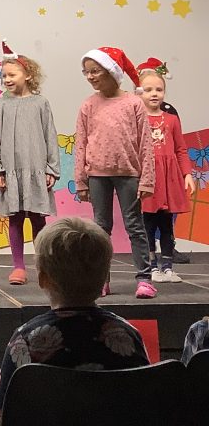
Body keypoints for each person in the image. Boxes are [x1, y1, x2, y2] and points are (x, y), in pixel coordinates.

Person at [0, 217, 150, 425]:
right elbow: (146, 405)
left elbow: (0, 417)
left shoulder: (25, 340)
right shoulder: (127, 335)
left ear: (43, 279)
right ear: (104, 278)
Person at [75, 47, 156, 298]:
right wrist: (81, 180)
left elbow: (145, 143)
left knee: (135, 226)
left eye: (95, 71)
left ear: (111, 71)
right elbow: (81, 143)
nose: (90, 76)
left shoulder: (134, 103)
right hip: (97, 175)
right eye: (86, 72)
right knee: (100, 229)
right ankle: (101, 280)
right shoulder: (88, 105)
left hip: (129, 174)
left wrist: (147, 180)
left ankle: (144, 279)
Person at [0, 43, 59, 286]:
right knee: (16, 218)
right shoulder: (2, 105)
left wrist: (52, 168)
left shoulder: (41, 103)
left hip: (36, 169)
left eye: (12, 75)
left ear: (28, 75)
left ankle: (43, 266)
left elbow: (50, 135)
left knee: (38, 219)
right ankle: (18, 266)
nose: (7, 80)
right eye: (4, 76)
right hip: (11, 170)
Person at [135, 61, 195, 283]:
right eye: (148, 89)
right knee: (148, 225)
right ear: (139, 93)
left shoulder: (171, 120)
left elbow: (180, 149)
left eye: (159, 89)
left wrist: (187, 174)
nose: (154, 94)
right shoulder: (137, 119)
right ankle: (151, 267)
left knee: (167, 225)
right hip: (148, 179)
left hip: (169, 179)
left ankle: (168, 267)